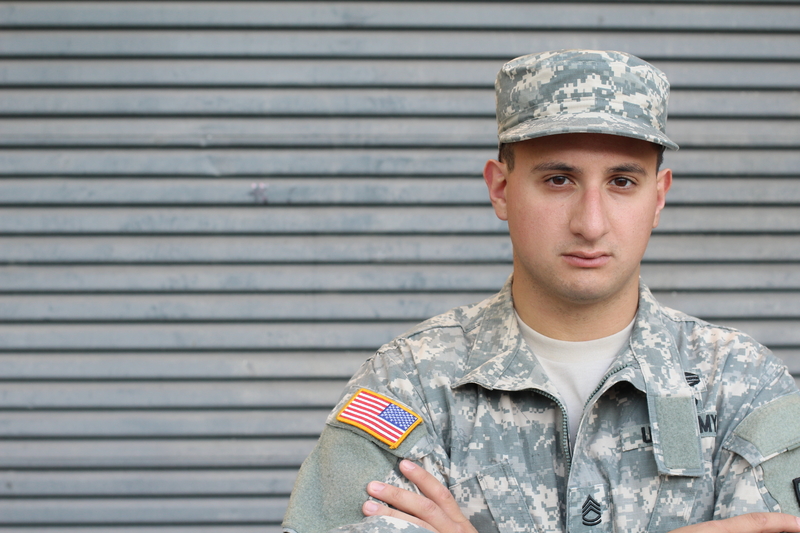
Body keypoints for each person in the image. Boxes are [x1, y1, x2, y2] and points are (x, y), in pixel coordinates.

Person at [282, 49, 800, 533]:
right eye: (558, 180)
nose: (591, 224)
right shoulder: (410, 383)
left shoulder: (743, 385)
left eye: (622, 182)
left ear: (658, 197)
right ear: (501, 189)